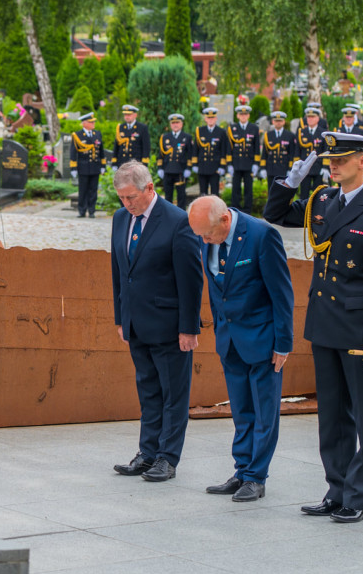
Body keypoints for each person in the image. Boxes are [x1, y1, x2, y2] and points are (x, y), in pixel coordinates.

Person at [264, 131, 363, 523]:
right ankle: (337, 489)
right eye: (330, 158)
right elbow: (275, 216)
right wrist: (288, 184)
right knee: (331, 415)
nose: (333, 164)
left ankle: (360, 497)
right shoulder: (322, 199)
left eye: (342, 158)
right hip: (325, 323)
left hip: (359, 329)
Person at [188, 196, 294, 502]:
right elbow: (215, 288)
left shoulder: (262, 235)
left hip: (262, 340)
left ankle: (256, 477)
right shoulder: (206, 236)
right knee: (241, 411)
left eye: (207, 234)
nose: (204, 240)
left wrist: (283, 343)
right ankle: (242, 470)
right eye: (200, 236)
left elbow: (282, 293)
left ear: (224, 220)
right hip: (230, 341)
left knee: (264, 413)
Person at [111, 161, 202, 482]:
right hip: (136, 324)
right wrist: (121, 317)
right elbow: (120, 273)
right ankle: (147, 452)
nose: (127, 204)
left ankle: (167, 457)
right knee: (148, 392)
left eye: (131, 197)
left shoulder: (178, 221)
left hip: (170, 325)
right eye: (121, 198)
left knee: (173, 394)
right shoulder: (121, 219)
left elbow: (191, 279)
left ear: (150, 188)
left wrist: (189, 327)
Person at [225, 104, 259, 213]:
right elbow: (229, 147)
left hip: (249, 163)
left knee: (248, 189)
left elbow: (256, 147)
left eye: (245, 114)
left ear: (248, 115)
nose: (243, 116)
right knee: (236, 189)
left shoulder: (254, 128)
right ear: (237, 116)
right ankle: (236, 210)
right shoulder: (232, 129)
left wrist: (256, 163)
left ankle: (247, 211)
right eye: (241, 114)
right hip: (236, 163)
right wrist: (229, 163)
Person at [70, 112, 105, 218]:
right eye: (91, 122)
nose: (93, 123)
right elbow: (73, 152)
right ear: (84, 123)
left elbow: (101, 151)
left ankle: (92, 210)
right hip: (83, 166)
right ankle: (82, 210)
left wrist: (103, 165)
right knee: (83, 190)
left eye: (93, 121)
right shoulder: (78, 135)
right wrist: (73, 167)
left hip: (95, 166)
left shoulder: (97, 134)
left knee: (93, 190)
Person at [157, 113, 194, 209]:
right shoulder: (165, 137)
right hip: (167, 170)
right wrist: (160, 168)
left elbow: (190, 154)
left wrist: (188, 168)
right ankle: (168, 214)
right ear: (170, 124)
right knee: (168, 195)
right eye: (173, 123)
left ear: (181, 124)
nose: (175, 125)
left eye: (177, 122)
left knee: (181, 196)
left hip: (180, 171)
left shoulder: (187, 137)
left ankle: (181, 215)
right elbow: (160, 154)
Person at [193, 107, 227, 196]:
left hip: (215, 167)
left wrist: (222, 166)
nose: (210, 120)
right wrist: (195, 164)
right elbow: (195, 149)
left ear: (216, 119)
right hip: (202, 166)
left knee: (214, 193)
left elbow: (224, 149)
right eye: (208, 118)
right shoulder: (199, 131)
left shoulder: (221, 132)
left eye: (212, 118)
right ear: (205, 119)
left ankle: (215, 210)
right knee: (202, 193)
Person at [296, 108, 328, 199]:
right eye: (308, 117)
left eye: (313, 117)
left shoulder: (323, 133)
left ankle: (316, 213)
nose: (310, 119)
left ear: (318, 119)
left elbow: (326, 150)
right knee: (304, 194)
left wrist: (325, 167)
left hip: (318, 167)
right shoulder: (302, 132)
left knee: (318, 195)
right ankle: (303, 213)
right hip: (304, 168)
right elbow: (297, 150)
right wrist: (296, 166)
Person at [259, 111, 294, 185]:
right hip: (271, 168)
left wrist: (290, 169)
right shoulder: (268, 135)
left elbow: (291, 154)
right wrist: (262, 168)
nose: (278, 123)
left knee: (283, 193)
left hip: (284, 168)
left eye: (280, 121)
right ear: (273, 122)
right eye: (276, 121)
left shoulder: (290, 135)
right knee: (271, 192)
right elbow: (264, 153)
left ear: (284, 122)